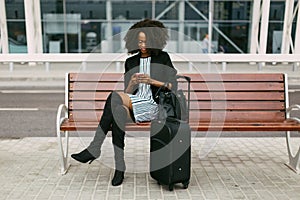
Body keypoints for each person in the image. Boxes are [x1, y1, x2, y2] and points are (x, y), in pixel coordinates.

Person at [71, 19, 178, 186]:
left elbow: (173, 86)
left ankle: (94, 148)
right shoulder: (131, 62)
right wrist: (132, 83)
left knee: (114, 97)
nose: (142, 45)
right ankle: (119, 167)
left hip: (154, 106)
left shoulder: (163, 58)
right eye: (139, 41)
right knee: (118, 111)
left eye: (145, 41)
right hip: (134, 104)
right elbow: (127, 94)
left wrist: (152, 81)